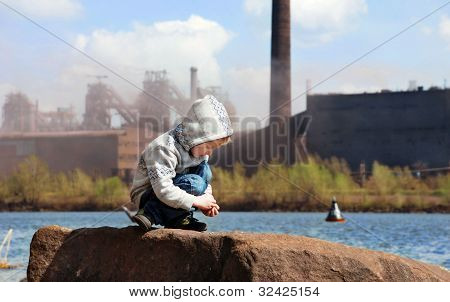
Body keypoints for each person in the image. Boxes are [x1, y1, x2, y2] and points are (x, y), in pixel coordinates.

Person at [129, 95, 233, 232]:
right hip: (149, 194)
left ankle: (179, 219)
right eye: (209, 147)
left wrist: (207, 199)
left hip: (175, 189)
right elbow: (163, 188)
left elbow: (205, 181)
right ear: (196, 136)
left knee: (204, 173)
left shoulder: (198, 152)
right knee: (195, 183)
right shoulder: (164, 148)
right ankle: (149, 213)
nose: (209, 153)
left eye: (213, 149)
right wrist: (197, 201)